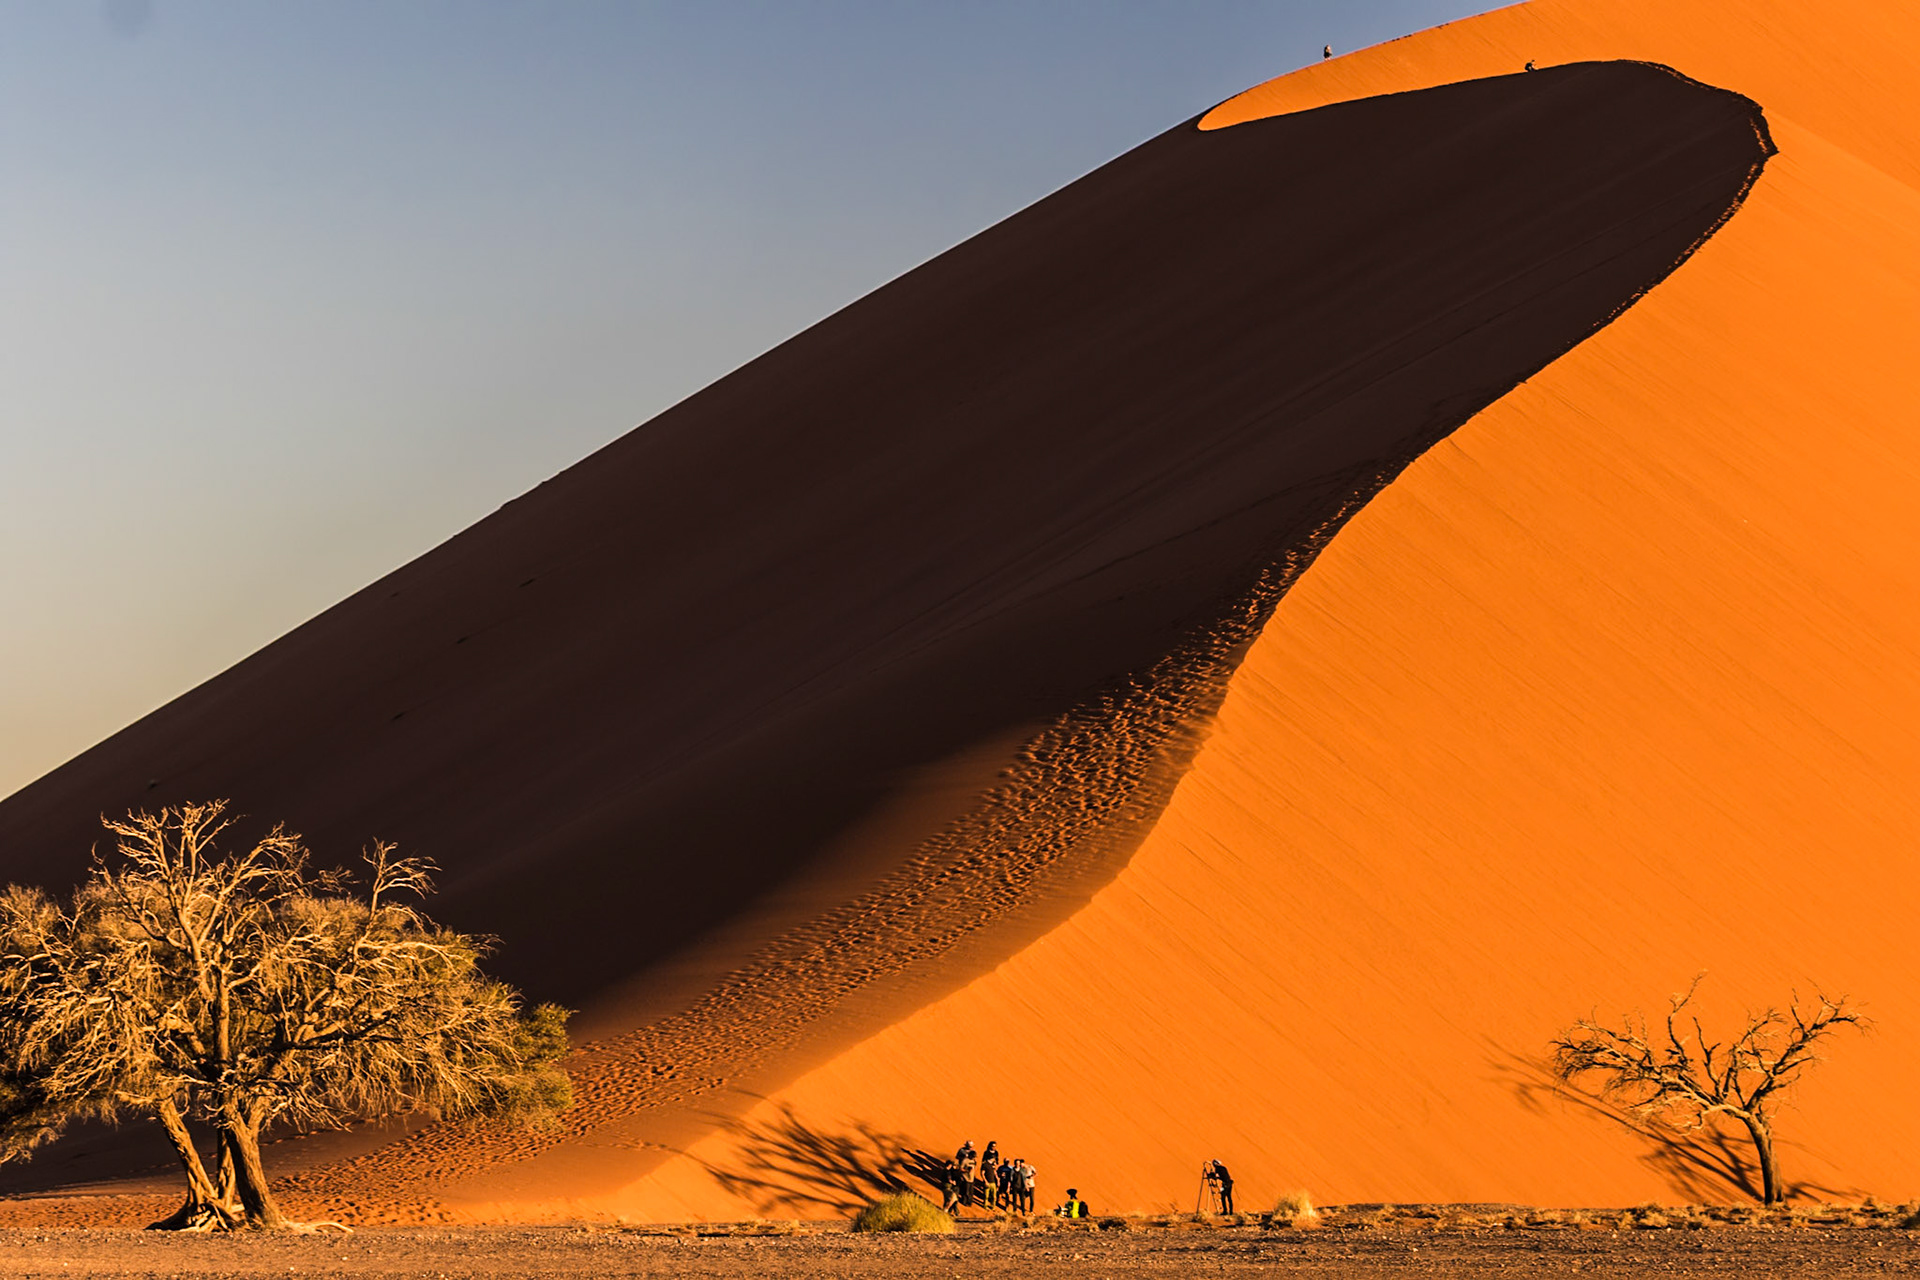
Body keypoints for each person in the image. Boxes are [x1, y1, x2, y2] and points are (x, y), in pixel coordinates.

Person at [980, 1141, 1002, 1208]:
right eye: (993, 1146)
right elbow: (983, 1160)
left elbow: (997, 1160)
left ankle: (995, 1200)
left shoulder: (996, 1152)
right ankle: (986, 1202)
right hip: (987, 1168)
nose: (994, 1147)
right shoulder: (986, 1152)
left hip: (993, 1168)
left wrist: (995, 1164)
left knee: (995, 1184)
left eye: (995, 1146)